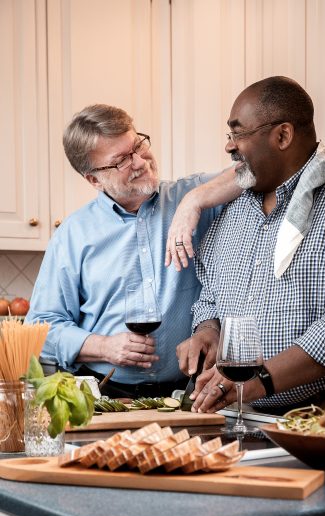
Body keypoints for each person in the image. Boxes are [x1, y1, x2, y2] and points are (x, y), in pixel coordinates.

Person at [170, 76, 325, 413]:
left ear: (283, 135)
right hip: (255, 414)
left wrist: (260, 381)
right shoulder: (232, 207)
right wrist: (208, 329)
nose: (229, 146)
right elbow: (211, 293)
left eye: (239, 133)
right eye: (230, 135)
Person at [25, 104, 241, 398]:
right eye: (122, 160)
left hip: (186, 392)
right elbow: (40, 327)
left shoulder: (193, 196)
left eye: (138, 145)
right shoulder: (72, 235)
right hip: (104, 395)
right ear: (94, 179)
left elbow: (253, 168)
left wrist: (193, 202)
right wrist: (103, 346)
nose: (140, 161)